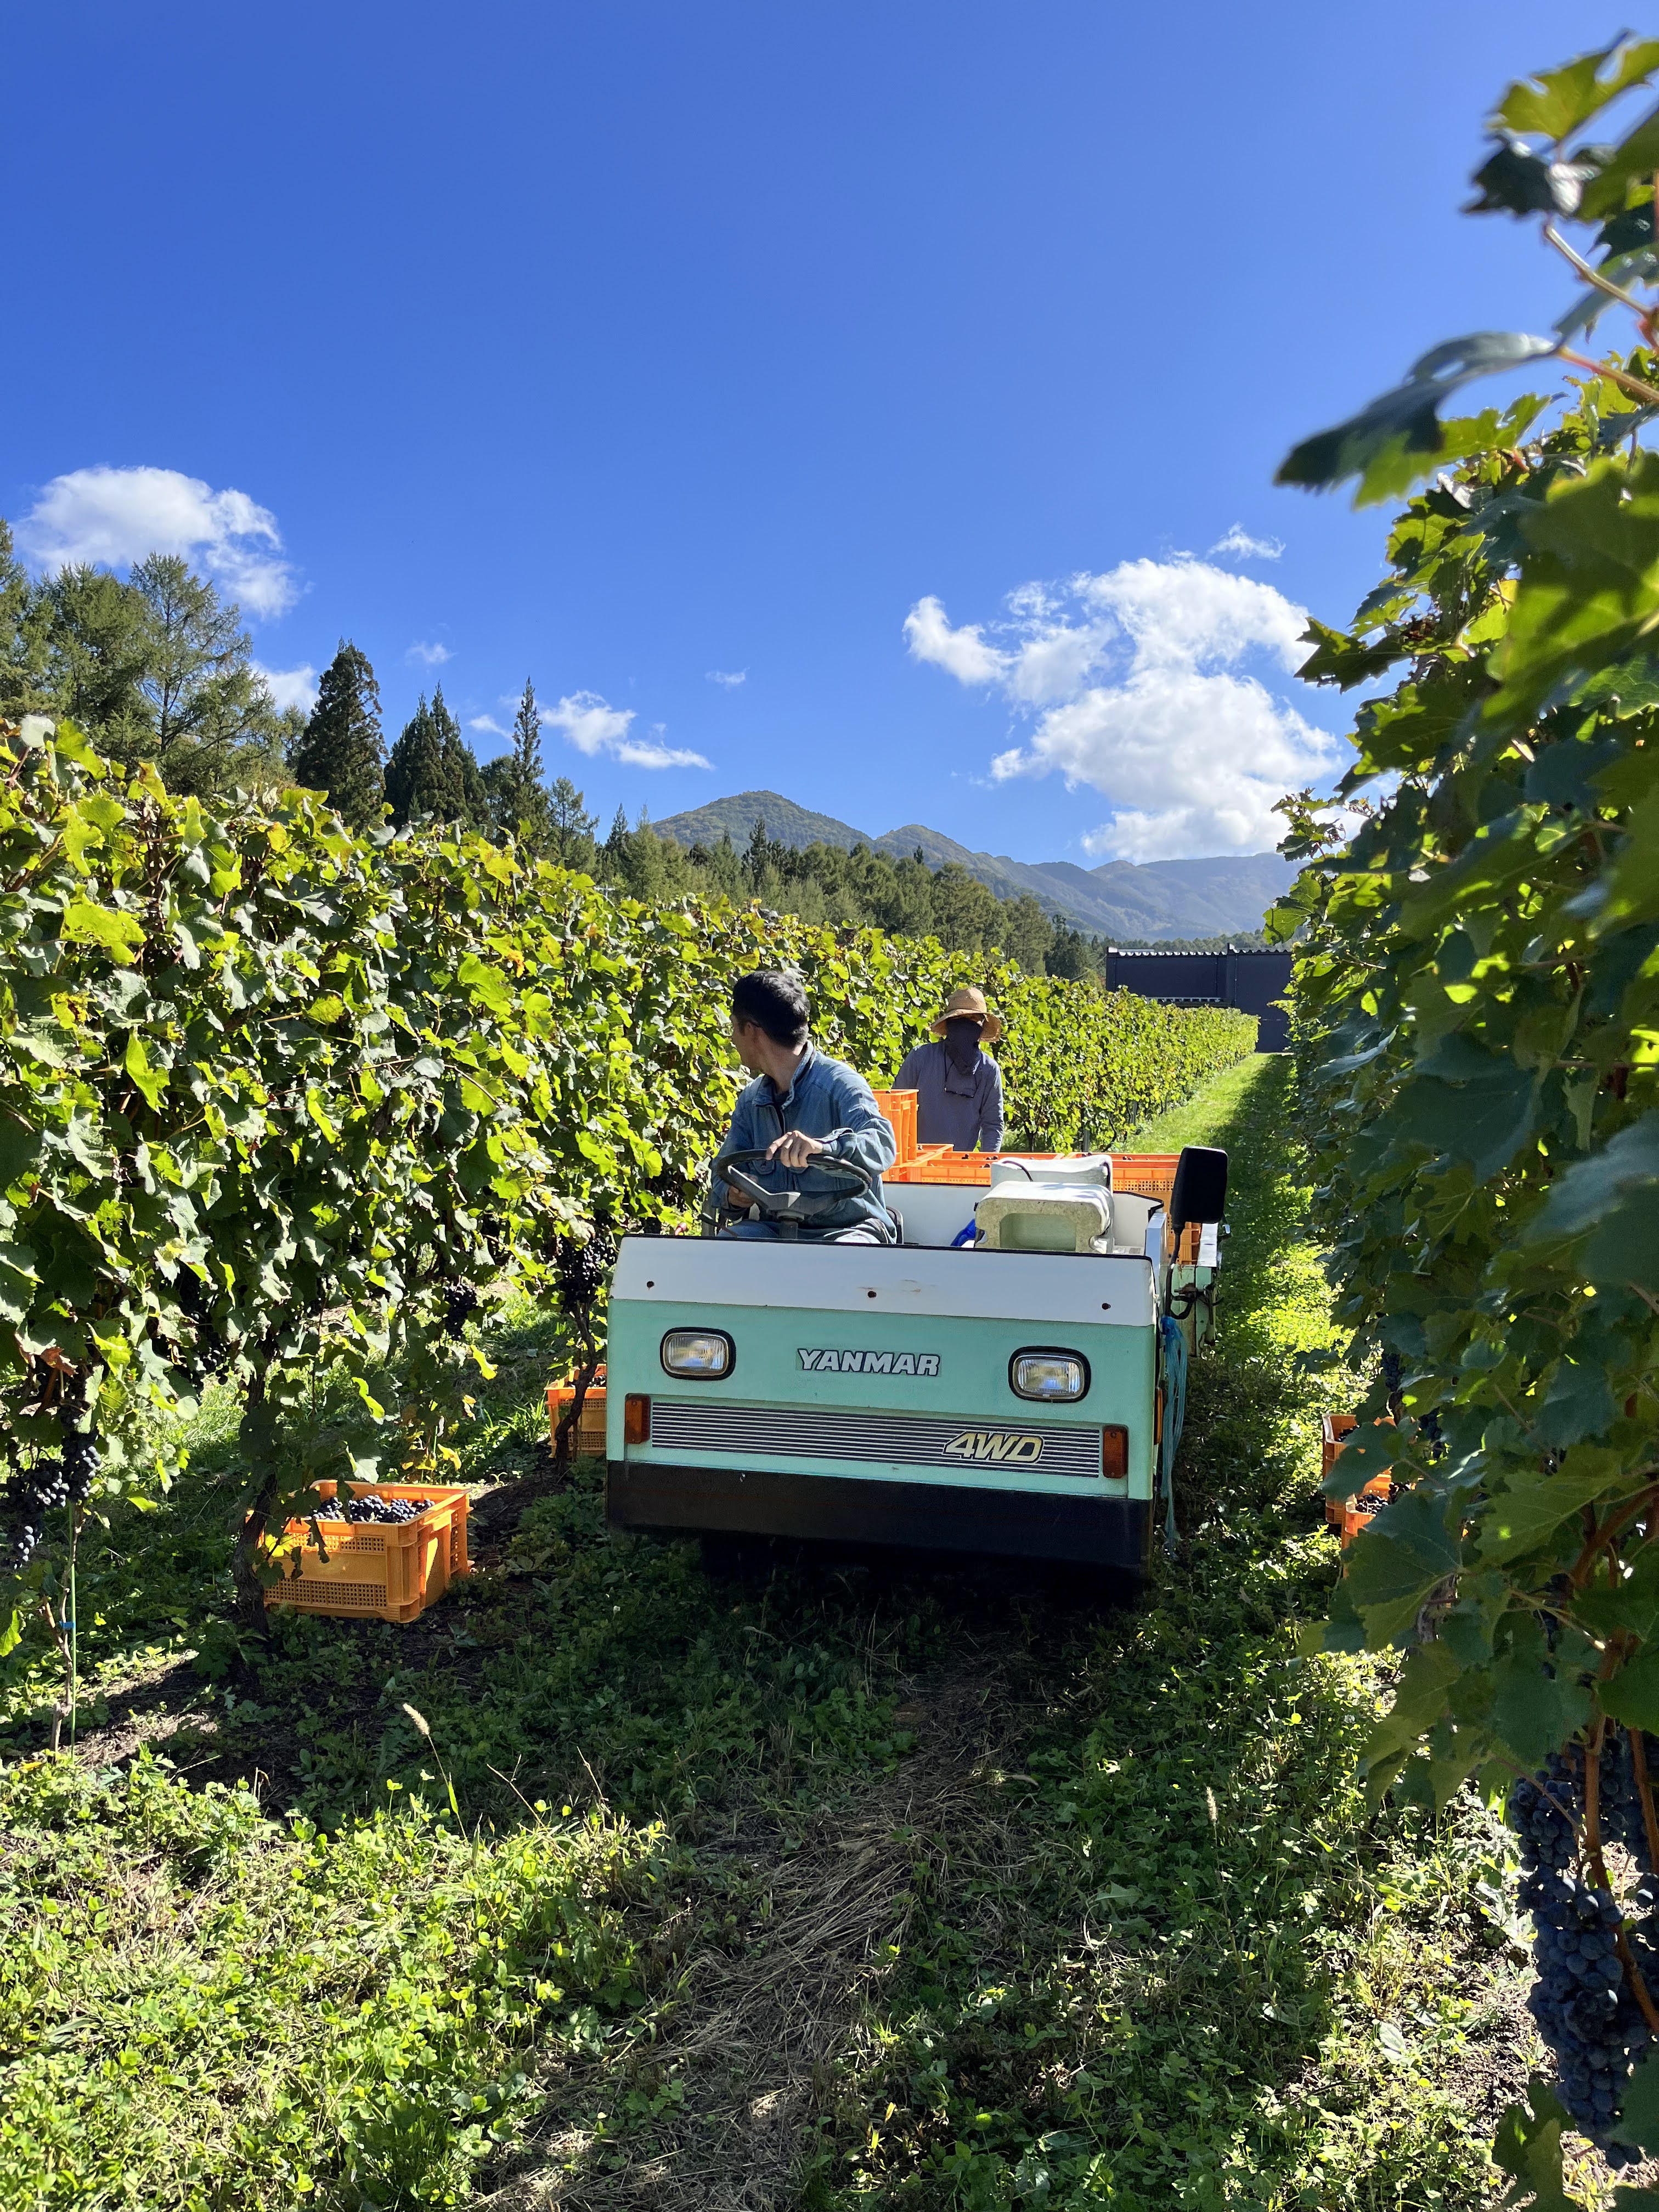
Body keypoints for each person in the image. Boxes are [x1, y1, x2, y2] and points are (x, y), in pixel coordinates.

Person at [712, 969, 898, 1242]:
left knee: (840, 1259)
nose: (732, 1039)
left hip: (851, 1229)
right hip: (775, 1231)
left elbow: (882, 1144)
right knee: (725, 1248)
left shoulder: (841, 1084)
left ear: (750, 1031)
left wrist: (823, 1147)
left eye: (733, 1027)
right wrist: (733, 1194)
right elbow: (722, 1172)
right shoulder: (751, 1101)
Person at [895, 986, 1006, 1154]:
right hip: (917, 1160)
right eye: (960, 1019)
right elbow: (897, 1109)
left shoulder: (989, 1070)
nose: (966, 1026)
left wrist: (987, 1162)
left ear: (981, 1026)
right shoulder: (920, 1058)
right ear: (950, 1023)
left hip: (960, 1165)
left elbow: (993, 1125)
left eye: (973, 1019)